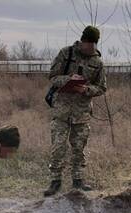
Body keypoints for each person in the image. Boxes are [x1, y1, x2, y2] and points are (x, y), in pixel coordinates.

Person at [44, 25, 107, 197]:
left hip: (82, 112)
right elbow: (52, 76)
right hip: (61, 110)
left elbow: (102, 88)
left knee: (79, 148)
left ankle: (78, 181)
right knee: (58, 147)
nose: (90, 48)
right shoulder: (66, 54)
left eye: (93, 45)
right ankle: (55, 181)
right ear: (83, 41)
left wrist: (86, 89)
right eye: (88, 44)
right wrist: (68, 80)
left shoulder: (97, 63)